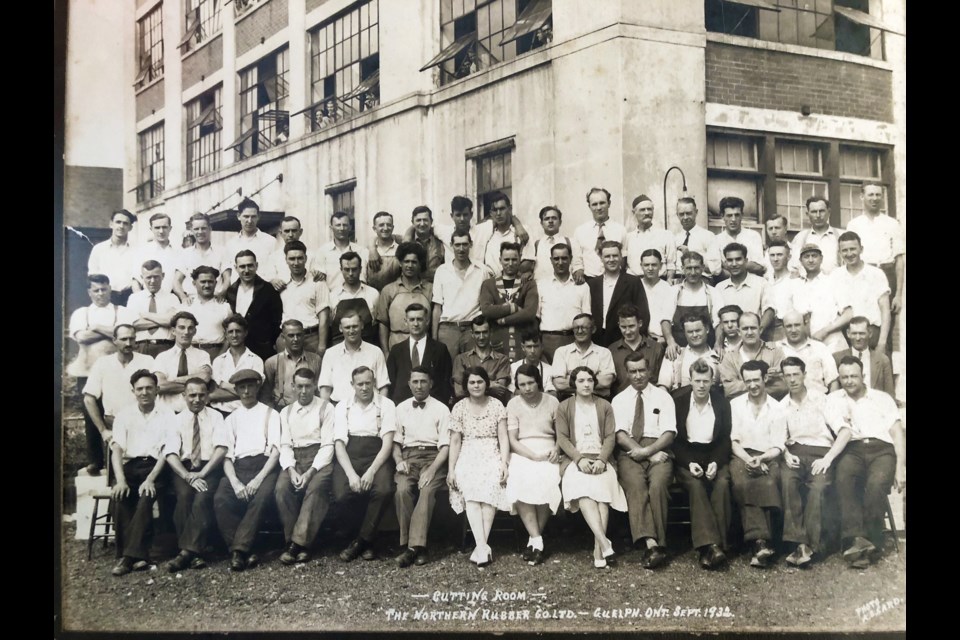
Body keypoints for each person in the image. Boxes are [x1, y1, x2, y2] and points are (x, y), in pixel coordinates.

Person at [827, 355, 906, 568]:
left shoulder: (881, 398)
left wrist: (900, 469)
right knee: (844, 479)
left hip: (882, 450)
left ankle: (871, 541)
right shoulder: (834, 399)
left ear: (863, 376)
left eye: (853, 376)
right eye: (844, 377)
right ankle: (855, 540)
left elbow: (898, 434)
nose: (849, 381)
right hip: (852, 449)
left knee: (875, 485)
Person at [779, 357, 850, 567]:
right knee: (788, 482)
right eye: (788, 375)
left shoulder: (822, 399)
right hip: (795, 453)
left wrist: (828, 458)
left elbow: (845, 432)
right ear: (783, 378)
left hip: (822, 452)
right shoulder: (782, 405)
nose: (792, 380)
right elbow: (778, 438)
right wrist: (785, 454)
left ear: (804, 375)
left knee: (818, 487)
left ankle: (809, 545)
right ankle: (798, 543)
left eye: (796, 374)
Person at [555, 366, 627, 569]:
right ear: (574, 384)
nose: (586, 384)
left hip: (601, 458)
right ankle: (605, 543)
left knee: (602, 496)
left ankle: (599, 549)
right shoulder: (564, 407)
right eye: (581, 381)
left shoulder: (604, 405)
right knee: (584, 492)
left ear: (594, 382)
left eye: (589, 380)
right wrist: (579, 459)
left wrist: (603, 459)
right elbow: (562, 438)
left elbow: (610, 436)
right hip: (575, 460)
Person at [611, 353, 677, 569]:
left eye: (641, 370)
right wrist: (644, 453)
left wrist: (649, 451)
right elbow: (620, 435)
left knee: (658, 485)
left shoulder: (663, 397)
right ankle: (651, 543)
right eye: (633, 371)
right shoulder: (619, 399)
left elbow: (669, 432)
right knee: (635, 485)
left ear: (649, 371)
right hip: (630, 449)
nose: (638, 375)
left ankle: (660, 543)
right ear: (627, 373)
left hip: (659, 448)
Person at [213, 369, 282, 572]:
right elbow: (227, 456)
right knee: (220, 499)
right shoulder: (231, 419)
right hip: (238, 468)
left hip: (265, 467)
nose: (246, 391)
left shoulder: (271, 414)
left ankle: (238, 551)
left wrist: (258, 479)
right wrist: (234, 482)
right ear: (236, 390)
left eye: (250, 386)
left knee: (260, 499)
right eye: (241, 387)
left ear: (257, 387)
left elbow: (276, 452)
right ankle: (245, 551)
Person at [108, 370, 172, 576]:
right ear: (133, 391)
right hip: (131, 467)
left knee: (146, 496)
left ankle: (127, 558)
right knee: (120, 497)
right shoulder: (124, 415)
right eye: (140, 389)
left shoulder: (168, 414)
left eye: (149, 388)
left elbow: (167, 452)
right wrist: (120, 480)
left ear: (157, 390)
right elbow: (116, 448)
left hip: (157, 468)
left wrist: (151, 479)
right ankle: (140, 555)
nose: (144, 392)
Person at [447, 367, 512, 567]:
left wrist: (504, 463)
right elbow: (455, 441)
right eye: (472, 382)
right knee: (472, 490)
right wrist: (451, 469)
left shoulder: (496, 405)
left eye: (480, 382)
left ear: (487, 384)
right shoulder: (459, 407)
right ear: (466, 386)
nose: (476, 386)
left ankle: (480, 547)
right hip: (468, 452)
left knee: (491, 486)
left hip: (491, 451)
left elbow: (503, 437)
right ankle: (483, 546)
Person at [332, 366, 398, 562]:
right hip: (350, 455)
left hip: (376, 455)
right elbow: (339, 444)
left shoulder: (386, 405)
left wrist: (371, 472)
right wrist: (352, 474)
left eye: (368, 383)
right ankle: (365, 540)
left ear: (374, 383)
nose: (364, 388)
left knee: (384, 489)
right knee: (342, 494)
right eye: (359, 384)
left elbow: (387, 444)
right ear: (352, 385)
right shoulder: (342, 406)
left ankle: (360, 542)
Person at [163, 378, 229, 572]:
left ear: (207, 396)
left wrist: (202, 473)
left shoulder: (216, 417)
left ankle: (185, 553)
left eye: (201, 395)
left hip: (209, 467)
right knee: (184, 496)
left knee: (202, 498)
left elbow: (221, 448)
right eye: (192, 395)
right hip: (183, 469)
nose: (197, 399)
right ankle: (194, 554)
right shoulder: (175, 420)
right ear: (184, 396)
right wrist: (187, 476)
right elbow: (170, 454)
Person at [673, 359, 732, 570]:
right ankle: (709, 545)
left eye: (705, 381)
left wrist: (716, 462)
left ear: (712, 382)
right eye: (697, 381)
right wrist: (689, 463)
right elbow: (675, 440)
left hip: (713, 453)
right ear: (690, 380)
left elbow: (725, 438)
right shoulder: (678, 401)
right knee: (696, 486)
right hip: (687, 455)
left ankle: (719, 545)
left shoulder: (721, 403)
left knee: (723, 483)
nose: (701, 386)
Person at [274, 368, 336, 565]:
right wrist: (291, 470)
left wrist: (310, 472)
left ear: (315, 386)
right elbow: (284, 444)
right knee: (281, 489)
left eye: (307, 386)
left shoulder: (327, 408)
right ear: (292, 386)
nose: (303, 391)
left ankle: (296, 545)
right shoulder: (286, 412)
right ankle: (299, 544)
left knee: (315, 488)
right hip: (294, 459)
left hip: (318, 458)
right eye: (299, 386)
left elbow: (328, 445)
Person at [392, 367, 451, 568]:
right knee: (402, 490)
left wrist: (433, 469)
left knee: (426, 491)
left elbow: (445, 446)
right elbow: (396, 442)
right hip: (408, 456)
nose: (419, 386)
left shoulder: (442, 409)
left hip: (433, 457)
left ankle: (414, 548)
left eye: (423, 381)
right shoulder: (400, 408)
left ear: (430, 383)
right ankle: (412, 546)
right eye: (415, 381)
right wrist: (398, 459)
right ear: (409, 384)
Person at [729, 360, 786, 568]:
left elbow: (779, 446)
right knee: (743, 483)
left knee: (768, 483)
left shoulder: (777, 408)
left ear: (765, 379)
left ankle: (758, 544)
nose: (752, 385)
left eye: (756, 380)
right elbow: (733, 441)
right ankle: (762, 542)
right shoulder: (735, 405)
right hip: (741, 455)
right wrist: (749, 460)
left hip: (768, 456)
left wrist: (761, 459)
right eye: (748, 381)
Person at [505, 365, 562, 565]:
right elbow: (512, 439)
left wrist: (556, 449)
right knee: (520, 478)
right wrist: (532, 456)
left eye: (530, 383)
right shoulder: (513, 405)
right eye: (522, 385)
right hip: (522, 450)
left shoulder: (553, 402)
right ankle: (537, 539)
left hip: (548, 449)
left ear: (538, 381)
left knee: (547, 479)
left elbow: (560, 434)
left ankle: (534, 539)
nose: (527, 388)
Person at [82, 325, 155, 475]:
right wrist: (103, 430)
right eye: (123, 339)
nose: (128, 343)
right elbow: (89, 398)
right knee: (117, 477)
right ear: (114, 340)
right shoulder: (103, 363)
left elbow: (156, 393)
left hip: (144, 423)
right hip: (114, 424)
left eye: (132, 338)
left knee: (144, 472)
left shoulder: (147, 361)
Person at [845, 182, 905, 316]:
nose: (875, 198)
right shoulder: (854, 224)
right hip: (862, 275)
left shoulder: (892, 224)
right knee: (862, 318)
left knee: (887, 320)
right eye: (870, 194)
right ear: (862, 196)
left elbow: (899, 260)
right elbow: (848, 258)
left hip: (887, 273)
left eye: (878, 195)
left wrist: (899, 295)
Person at [432, 230, 491, 360]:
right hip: (448, 329)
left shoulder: (482, 271)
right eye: (457, 245)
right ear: (451, 245)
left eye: (465, 244)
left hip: (472, 329)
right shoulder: (442, 271)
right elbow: (437, 307)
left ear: (471, 244)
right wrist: (434, 338)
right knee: (448, 371)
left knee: (474, 370)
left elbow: (487, 303)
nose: (461, 249)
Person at [830, 231, 891, 352]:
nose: (849, 254)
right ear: (840, 253)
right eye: (845, 250)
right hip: (846, 335)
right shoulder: (835, 275)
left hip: (872, 334)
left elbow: (885, 311)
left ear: (861, 249)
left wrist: (882, 343)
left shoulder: (876, 274)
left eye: (853, 249)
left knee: (877, 369)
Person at [479, 241, 539, 361]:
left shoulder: (528, 283)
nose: (510, 264)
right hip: (498, 340)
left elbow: (529, 313)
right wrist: (513, 308)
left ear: (520, 259)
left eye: (514, 259)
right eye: (506, 260)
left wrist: (503, 320)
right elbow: (486, 310)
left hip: (521, 340)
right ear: (500, 259)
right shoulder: (489, 284)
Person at [67, 274, 135, 379]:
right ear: (89, 292)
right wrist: (113, 332)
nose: (101, 294)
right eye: (96, 290)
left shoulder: (123, 311)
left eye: (104, 289)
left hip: (116, 372)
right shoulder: (81, 313)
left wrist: (97, 327)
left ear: (110, 289)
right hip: (87, 373)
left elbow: (126, 336)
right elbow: (82, 337)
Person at [386, 303, 453, 406]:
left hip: (432, 408)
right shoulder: (396, 350)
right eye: (412, 319)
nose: (416, 324)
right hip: (403, 408)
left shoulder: (440, 349)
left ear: (427, 321)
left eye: (419, 319)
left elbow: (446, 382)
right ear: (406, 322)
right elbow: (391, 382)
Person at [319, 310, 390, 403]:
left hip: (369, 407)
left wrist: (379, 409)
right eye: (347, 327)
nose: (351, 331)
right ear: (340, 328)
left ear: (362, 325)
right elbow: (325, 389)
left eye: (355, 326)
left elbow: (383, 386)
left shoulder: (375, 351)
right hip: (339, 408)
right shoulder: (330, 354)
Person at [224, 249, 283, 361]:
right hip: (237, 348)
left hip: (262, 349)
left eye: (250, 266)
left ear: (256, 265)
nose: (246, 270)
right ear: (236, 268)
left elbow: (277, 319)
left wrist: (267, 340)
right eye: (242, 266)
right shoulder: (231, 291)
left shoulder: (268, 289)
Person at [587, 241, 648, 347]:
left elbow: (643, 313)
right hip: (596, 340)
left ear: (621, 257)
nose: (611, 259)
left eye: (615, 256)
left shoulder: (633, 282)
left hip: (623, 340)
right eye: (607, 256)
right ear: (601, 258)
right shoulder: (592, 284)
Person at [375, 242, 433, 352]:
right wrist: (386, 352)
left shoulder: (430, 289)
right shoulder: (388, 290)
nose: (410, 265)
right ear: (400, 263)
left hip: (423, 345)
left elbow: (434, 322)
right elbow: (383, 324)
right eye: (406, 261)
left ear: (420, 264)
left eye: (414, 262)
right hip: (396, 344)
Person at [537, 243, 591, 360]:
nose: (560, 262)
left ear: (570, 259)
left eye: (564, 258)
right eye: (556, 258)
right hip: (548, 341)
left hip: (574, 339)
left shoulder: (582, 286)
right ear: (551, 260)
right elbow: (537, 317)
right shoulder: (541, 285)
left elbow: (587, 318)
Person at [275, 240, 330, 355]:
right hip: (286, 339)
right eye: (291, 259)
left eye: (300, 258)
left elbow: (324, 317)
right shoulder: (280, 283)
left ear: (306, 258)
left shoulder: (317, 282)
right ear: (286, 260)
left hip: (311, 338)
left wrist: (321, 346)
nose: (296, 262)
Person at [790, 244, 847, 353]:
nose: (810, 260)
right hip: (807, 346)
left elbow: (848, 314)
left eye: (814, 256)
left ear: (821, 259)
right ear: (800, 261)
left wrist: (825, 331)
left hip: (832, 343)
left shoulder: (832, 281)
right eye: (806, 257)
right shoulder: (796, 285)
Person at [718, 312, 787, 399]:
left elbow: (783, 386)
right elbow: (729, 390)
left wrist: (742, 384)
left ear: (760, 330)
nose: (749, 332)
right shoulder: (729, 358)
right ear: (739, 332)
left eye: (753, 328)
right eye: (745, 328)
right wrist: (763, 381)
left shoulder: (775, 352)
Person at [153, 311, 213, 413]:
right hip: (167, 413)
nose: (186, 332)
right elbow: (160, 386)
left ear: (194, 331)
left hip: (194, 412)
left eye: (190, 328)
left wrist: (171, 380)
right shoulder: (162, 357)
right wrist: (194, 383)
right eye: (181, 327)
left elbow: (205, 378)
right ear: (173, 331)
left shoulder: (203, 355)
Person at [662, 252, 722, 353]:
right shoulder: (674, 291)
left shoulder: (713, 292)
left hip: (707, 349)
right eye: (689, 268)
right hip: (679, 350)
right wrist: (670, 342)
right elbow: (665, 321)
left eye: (696, 268)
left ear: (703, 268)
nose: (693, 272)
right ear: (682, 268)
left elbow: (719, 323)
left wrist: (718, 344)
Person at [208, 314, 265, 415]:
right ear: (225, 335)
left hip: (246, 412)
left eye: (238, 331)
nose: (234, 335)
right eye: (230, 332)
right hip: (220, 412)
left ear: (245, 333)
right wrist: (244, 391)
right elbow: (214, 393)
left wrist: (223, 385)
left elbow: (254, 392)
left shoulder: (256, 360)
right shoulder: (218, 361)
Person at [261, 320, 323, 411]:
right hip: (281, 409)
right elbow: (265, 395)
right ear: (283, 337)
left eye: (299, 335)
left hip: (310, 410)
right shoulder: (272, 362)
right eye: (291, 335)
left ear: (303, 336)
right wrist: (273, 415)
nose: (295, 339)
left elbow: (319, 391)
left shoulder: (315, 360)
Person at [551, 314, 616, 400]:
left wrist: (571, 381)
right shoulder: (561, 352)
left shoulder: (604, 352)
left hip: (598, 401)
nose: (580, 331)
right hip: (569, 401)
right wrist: (593, 381)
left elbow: (606, 382)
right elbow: (559, 384)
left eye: (584, 327)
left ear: (593, 329)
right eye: (576, 328)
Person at [715, 243, 775, 335]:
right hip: (729, 342)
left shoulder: (761, 283)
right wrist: (718, 343)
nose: (734, 264)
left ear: (746, 261)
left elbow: (769, 310)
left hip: (754, 337)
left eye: (738, 259)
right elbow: (718, 320)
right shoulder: (719, 288)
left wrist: (758, 330)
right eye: (730, 260)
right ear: (725, 263)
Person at [452, 316, 512, 403]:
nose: (481, 337)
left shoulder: (502, 360)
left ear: (490, 332)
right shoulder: (461, 359)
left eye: (484, 332)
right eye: (477, 333)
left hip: (493, 408)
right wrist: (491, 385)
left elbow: (500, 391)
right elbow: (459, 392)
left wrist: (470, 385)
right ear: (472, 334)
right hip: (468, 408)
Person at [174, 213, 232, 303]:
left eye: (203, 228)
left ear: (210, 229)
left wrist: (222, 293)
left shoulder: (222, 251)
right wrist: (183, 297)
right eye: (196, 229)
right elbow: (176, 281)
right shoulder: (184, 254)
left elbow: (227, 279)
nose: (200, 232)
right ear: (192, 231)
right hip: (192, 302)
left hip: (215, 300)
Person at [777, 311, 840, 394]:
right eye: (789, 326)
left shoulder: (820, 348)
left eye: (797, 325)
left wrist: (832, 403)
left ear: (805, 324)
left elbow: (833, 381)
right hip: (788, 403)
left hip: (818, 401)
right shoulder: (775, 349)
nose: (793, 330)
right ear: (783, 327)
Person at [609, 304, 665, 396]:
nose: (627, 331)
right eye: (623, 327)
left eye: (631, 326)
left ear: (640, 323)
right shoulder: (612, 350)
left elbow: (662, 381)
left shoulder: (657, 348)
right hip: (623, 402)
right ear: (619, 325)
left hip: (651, 400)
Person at [572, 187, 626, 281]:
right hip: (589, 280)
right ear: (589, 206)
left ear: (609, 203)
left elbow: (624, 258)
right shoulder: (580, 231)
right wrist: (578, 270)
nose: (599, 208)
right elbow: (577, 260)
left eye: (602, 203)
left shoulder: (620, 230)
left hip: (615, 280)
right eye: (594, 204)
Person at [127, 260, 179, 357]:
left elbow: (173, 322)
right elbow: (133, 324)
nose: (152, 281)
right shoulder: (134, 299)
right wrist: (164, 319)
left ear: (163, 276)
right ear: (142, 278)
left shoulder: (172, 298)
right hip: (140, 347)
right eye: (148, 277)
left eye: (156, 277)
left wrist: (146, 315)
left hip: (166, 347)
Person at [832, 316, 895, 397]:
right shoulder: (836, 359)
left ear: (870, 333)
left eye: (861, 333)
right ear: (848, 333)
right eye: (854, 333)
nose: (858, 338)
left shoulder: (882, 360)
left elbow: (890, 395)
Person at [328, 251, 381, 346]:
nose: (351, 273)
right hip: (340, 349)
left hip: (368, 347)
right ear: (341, 270)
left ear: (360, 269)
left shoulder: (373, 294)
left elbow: (378, 326)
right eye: (347, 269)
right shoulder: (333, 296)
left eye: (354, 269)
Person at [657, 314, 720, 392]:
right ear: (684, 333)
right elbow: (662, 388)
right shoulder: (675, 355)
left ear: (707, 329)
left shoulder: (718, 356)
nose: (694, 335)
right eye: (690, 332)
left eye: (698, 330)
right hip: (681, 402)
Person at [181, 266, 232, 360]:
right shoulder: (186, 306)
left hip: (216, 352)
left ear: (215, 283)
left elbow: (230, 335)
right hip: (191, 353)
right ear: (194, 283)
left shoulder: (224, 307)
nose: (207, 285)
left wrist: (220, 356)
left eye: (210, 281)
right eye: (203, 282)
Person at [706, 197, 765, 278]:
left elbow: (758, 267)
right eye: (729, 215)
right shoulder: (715, 240)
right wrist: (745, 265)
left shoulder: (753, 236)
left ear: (742, 216)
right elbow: (717, 271)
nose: (733, 219)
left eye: (737, 215)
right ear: (722, 216)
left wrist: (726, 265)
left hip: (752, 285)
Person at [88, 209, 136, 305]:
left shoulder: (137, 250)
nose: (121, 226)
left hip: (130, 296)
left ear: (130, 227)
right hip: (106, 296)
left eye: (125, 223)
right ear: (111, 224)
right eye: (118, 222)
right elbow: (92, 275)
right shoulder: (99, 249)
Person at [520, 205, 579, 283]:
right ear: (541, 223)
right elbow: (528, 266)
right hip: (541, 288)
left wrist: (578, 271)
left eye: (554, 218)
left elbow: (577, 264)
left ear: (560, 222)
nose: (550, 221)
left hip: (564, 286)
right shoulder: (536, 244)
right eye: (546, 219)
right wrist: (528, 272)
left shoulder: (570, 242)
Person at [315, 211, 370, 292]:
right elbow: (320, 281)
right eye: (338, 225)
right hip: (333, 299)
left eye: (345, 225)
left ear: (350, 227)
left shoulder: (362, 251)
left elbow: (366, 277)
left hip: (358, 298)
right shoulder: (322, 252)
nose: (341, 228)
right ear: (331, 228)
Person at [223, 199, 277, 281]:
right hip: (239, 291)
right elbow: (228, 273)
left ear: (258, 217)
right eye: (246, 216)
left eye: (253, 216)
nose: (250, 221)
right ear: (238, 216)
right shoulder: (231, 244)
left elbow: (277, 267)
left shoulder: (270, 241)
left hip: (263, 290)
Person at [624, 195, 676, 281]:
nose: (647, 213)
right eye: (642, 210)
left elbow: (671, 265)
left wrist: (669, 283)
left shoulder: (666, 235)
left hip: (659, 283)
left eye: (649, 209)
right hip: (634, 285)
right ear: (634, 213)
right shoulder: (628, 238)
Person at [257, 216, 319, 288]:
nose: (290, 235)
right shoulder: (273, 257)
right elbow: (267, 277)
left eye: (294, 230)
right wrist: (272, 281)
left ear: (300, 232)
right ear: (280, 233)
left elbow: (316, 279)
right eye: (287, 231)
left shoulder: (311, 255)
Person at [473, 192, 524, 277]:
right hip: (490, 284)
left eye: (502, 209)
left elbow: (528, 262)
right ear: (491, 213)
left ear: (510, 209)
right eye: (495, 210)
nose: (498, 213)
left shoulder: (520, 232)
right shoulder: (487, 232)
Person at [789, 197, 841, 275]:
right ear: (807, 214)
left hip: (836, 283)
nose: (818, 215)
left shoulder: (841, 235)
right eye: (813, 212)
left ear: (829, 212)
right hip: (809, 284)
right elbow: (795, 265)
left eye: (821, 211)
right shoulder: (800, 238)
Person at [130, 213, 179, 296]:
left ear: (170, 228)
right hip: (149, 298)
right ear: (151, 229)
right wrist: (140, 300)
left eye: (164, 227)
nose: (161, 231)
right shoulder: (142, 252)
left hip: (173, 298)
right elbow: (135, 281)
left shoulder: (178, 252)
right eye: (157, 228)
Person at [636, 249, 674, 344]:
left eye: (654, 265)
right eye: (646, 265)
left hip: (661, 339)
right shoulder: (636, 285)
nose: (650, 268)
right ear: (641, 266)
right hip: (639, 338)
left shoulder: (667, 288)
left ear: (660, 266)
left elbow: (667, 317)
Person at [762, 240, 796, 342]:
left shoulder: (795, 280)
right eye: (772, 255)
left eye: (779, 255)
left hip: (786, 329)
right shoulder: (764, 281)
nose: (775, 259)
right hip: (765, 329)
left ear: (788, 257)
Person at [674, 197, 716, 279]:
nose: (685, 217)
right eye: (681, 214)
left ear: (696, 212)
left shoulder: (708, 236)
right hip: (679, 281)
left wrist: (691, 254)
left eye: (689, 213)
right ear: (677, 215)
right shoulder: (675, 238)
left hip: (702, 280)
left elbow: (716, 268)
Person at [508, 330, 556, 396]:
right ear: (523, 347)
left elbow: (552, 394)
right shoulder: (514, 367)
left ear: (542, 347)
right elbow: (513, 393)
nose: (532, 351)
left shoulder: (549, 369)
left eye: (536, 346)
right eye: (529, 347)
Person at [408, 205, 446, 282]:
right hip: (413, 287)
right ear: (412, 222)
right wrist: (375, 247)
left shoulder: (441, 243)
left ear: (431, 222)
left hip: (435, 286)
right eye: (418, 220)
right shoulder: (406, 241)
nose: (422, 224)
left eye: (425, 220)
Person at [365, 211, 401, 291]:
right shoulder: (366, 251)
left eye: (389, 225)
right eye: (381, 225)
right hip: (373, 295)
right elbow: (363, 279)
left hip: (395, 294)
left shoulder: (400, 249)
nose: (385, 228)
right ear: (374, 228)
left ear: (393, 227)